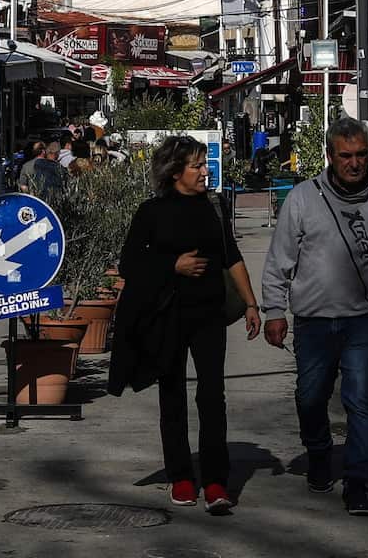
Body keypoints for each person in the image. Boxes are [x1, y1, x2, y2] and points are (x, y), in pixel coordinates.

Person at [260, 117, 368, 517]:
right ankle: (318, 453)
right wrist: (274, 311)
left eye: (361, 155)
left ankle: (359, 482)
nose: (354, 163)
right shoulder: (302, 198)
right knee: (310, 397)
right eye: (345, 156)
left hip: (365, 319)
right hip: (313, 320)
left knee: (361, 400)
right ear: (330, 156)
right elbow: (279, 260)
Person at [110, 136, 262, 515]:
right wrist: (171, 266)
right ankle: (181, 475)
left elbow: (232, 255)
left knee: (213, 397)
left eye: (203, 164)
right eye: (196, 165)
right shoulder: (151, 212)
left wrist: (251, 303)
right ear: (176, 172)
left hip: (208, 314)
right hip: (168, 316)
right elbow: (129, 263)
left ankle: (215, 480)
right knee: (172, 396)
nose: (204, 171)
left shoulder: (213, 207)